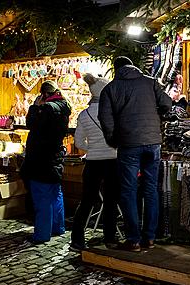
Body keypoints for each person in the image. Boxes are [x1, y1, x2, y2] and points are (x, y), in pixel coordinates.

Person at [99, 56, 172, 252]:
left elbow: (105, 119)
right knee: (150, 190)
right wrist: (156, 117)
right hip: (153, 142)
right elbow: (167, 103)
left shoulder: (111, 89)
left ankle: (134, 239)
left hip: (129, 144)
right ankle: (150, 237)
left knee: (129, 191)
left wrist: (113, 140)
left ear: (116, 70)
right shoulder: (150, 82)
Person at [71, 74, 119, 251]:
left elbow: (78, 143)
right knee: (111, 200)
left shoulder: (84, 115)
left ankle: (77, 239)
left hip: (92, 162)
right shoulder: (113, 113)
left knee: (87, 201)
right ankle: (110, 238)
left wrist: (91, 148)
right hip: (112, 160)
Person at [20, 81, 71, 245]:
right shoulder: (63, 107)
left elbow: (32, 124)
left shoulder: (47, 109)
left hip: (40, 158)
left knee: (42, 195)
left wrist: (34, 107)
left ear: (44, 95)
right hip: (54, 156)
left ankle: (42, 234)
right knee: (55, 193)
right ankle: (58, 227)